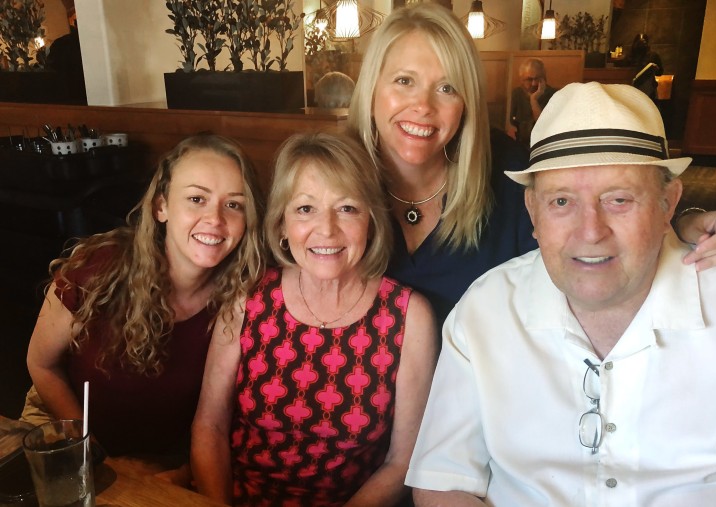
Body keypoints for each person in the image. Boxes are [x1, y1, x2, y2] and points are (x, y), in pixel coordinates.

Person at [407, 82, 716, 506]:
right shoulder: (485, 309)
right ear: (532, 211)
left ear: (668, 203)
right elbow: (444, 481)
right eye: (561, 201)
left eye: (618, 199)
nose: (591, 231)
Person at [347, 3, 716, 329]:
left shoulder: (507, 173)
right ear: (371, 88)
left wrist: (683, 226)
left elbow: (593, 215)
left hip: (492, 389)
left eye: (447, 87)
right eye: (403, 80)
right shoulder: (331, 175)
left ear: (466, 103)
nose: (423, 105)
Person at [191, 132, 438, 506]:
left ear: (371, 219)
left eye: (347, 208)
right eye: (305, 209)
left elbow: (402, 462)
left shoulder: (409, 316)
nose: (326, 229)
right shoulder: (248, 299)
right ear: (282, 224)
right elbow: (209, 426)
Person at [24, 133, 266, 483]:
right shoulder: (97, 269)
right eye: (196, 199)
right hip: (66, 433)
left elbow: (221, 421)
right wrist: (94, 456)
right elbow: (41, 364)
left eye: (234, 204)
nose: (215, 218)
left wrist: (180, 475)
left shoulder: (242, 298)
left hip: (163, 462)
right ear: (161, 206)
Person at [508, 58, 557, 148]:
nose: (534, 84)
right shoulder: (516, 94)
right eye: (529, 79)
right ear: (521, 79)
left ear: (544, 78)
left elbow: (543, 126)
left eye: (537, 79)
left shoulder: (554, 95)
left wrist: (533, 100)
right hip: (520, 145)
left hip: (544, 145)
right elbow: (509, 121)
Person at [626, 33, 663, 101]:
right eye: (639, 43)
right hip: (633, 87)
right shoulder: (629, 57)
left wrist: (656, 68)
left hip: (648, 88)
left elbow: (660, 72)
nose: (641, 45)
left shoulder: (653, 56)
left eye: (643, 43)